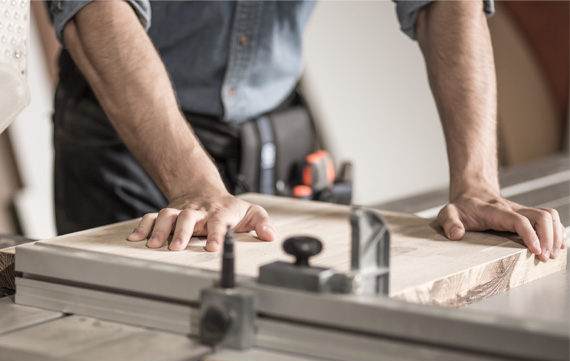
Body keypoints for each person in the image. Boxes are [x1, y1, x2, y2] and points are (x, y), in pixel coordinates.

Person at [48, 0, 565, 262]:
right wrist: (194, 185)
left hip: (270, 122)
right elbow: (95, 9)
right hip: (125, 133)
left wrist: (476, 183)